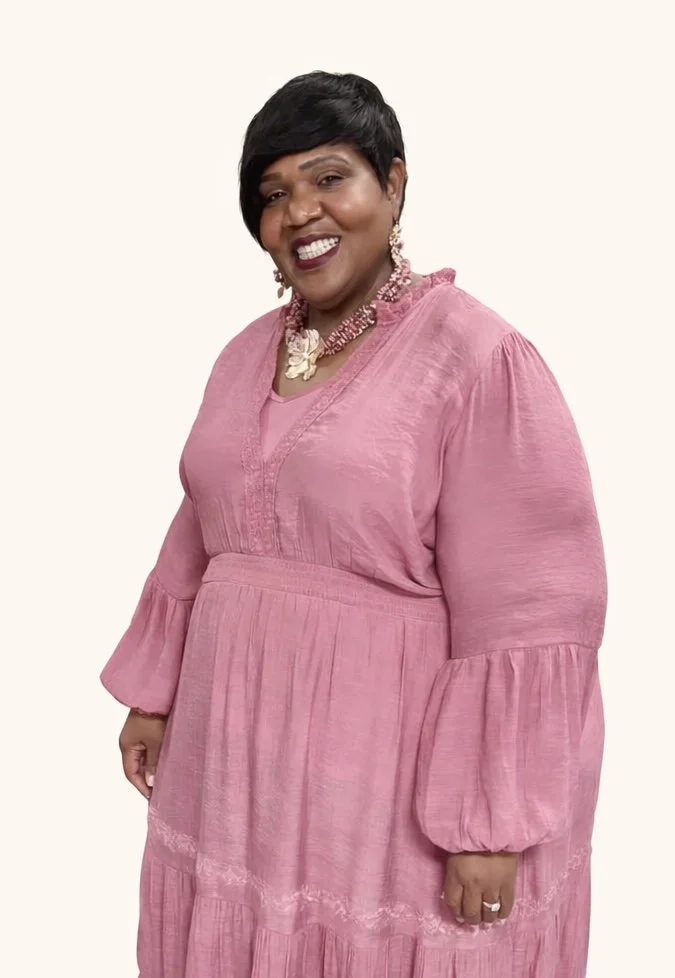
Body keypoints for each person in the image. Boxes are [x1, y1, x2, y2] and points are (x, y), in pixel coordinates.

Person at [101, 70, 608, 978]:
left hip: (378, 777)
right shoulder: (246, 350)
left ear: (394, 183)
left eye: (328, 178)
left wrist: (487, 820)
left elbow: (529, 609)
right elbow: (207, 519)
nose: (298, 212)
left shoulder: (478, 359)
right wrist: (155, 689)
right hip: (230, 760)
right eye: (271, 194)